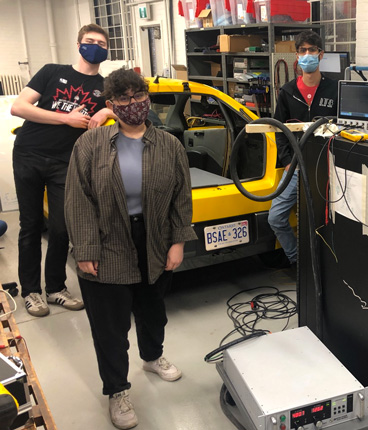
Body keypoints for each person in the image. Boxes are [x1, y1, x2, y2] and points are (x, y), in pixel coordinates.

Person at [65, 68, 197, 430]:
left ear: (147, 98)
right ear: (111, 105)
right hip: (107, 242)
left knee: (153, 310)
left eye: (138, 95)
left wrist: (178, 242)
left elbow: (181, 199)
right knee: (110, 325)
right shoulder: (90, 145)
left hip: (153, 239)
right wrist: (86, 248)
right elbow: (78, 200)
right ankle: (117, 390)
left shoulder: (169, 144)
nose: (132, 103)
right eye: (122, 98)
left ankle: (152, 357)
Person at [10, 24, 115, 317]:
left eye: (101, 43)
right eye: (89, 41)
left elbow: (126, 105)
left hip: (66, 162)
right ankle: (31, 291)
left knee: (61, 227)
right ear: (79, 44)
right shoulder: (51, 71)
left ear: (107, 50)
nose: (95, 46)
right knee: (30, 225)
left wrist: (105, 110)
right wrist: (65, 119)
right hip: (29, 154)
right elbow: (19, 108)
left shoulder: (105, 87)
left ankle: (55, 288)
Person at [269, 31, 337, 267]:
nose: (307, 55)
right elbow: (279, 131)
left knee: (323, 220)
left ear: (321, 54)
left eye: (312, 50)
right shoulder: (287, 92)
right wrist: (288, 161)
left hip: (327, 168)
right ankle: (298, 262)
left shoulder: (334, 90)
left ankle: (326, 265)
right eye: (302, 50)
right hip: (296, 167)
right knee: (276, 217)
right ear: (296, 56)